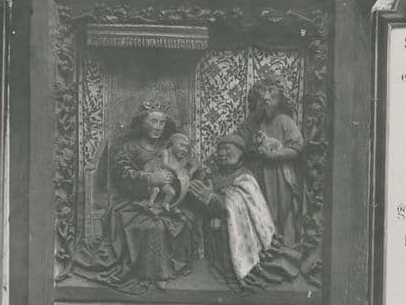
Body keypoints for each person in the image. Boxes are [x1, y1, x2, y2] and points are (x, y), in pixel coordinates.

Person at [72, 103, 197, 291]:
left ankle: (170, 267)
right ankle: (155, 274)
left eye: (162, 122)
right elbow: (122, 175)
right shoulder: (129, 147)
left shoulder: (167, 147)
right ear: (142, 122)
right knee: (153, 227)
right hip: (131, 202)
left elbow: (185, 163)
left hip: (163, 200)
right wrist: (149, 178)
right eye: (153, 121)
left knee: (184, 220)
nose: (158, 127)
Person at [189, 134, 300, 288]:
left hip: (239, 227)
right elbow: (203, 199)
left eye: (227, 149)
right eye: (220, 149)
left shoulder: (245, 177)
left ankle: (237, 271)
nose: (222, 153)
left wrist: (212, 199)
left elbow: (238, 203)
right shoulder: (214, 175)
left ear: (240, 153)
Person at [238, 76, 304, 246]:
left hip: (280, 175)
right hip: (260, 173)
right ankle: (267, 247)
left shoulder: (285, 121)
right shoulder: (256, 124)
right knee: (264, 209)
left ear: (280, 101)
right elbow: (245, 144)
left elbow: (296, 149)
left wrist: (274, 155)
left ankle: (287, 245)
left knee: (284, 209)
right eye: (262, 100)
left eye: (271, 99)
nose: (266, 102)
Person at [145, 132, 200, 211]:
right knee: (156, 190)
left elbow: (195, 163)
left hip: (169, 182)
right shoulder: (166, 152)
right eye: (181, 145)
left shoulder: (180, 159)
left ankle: (167, 204)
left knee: (172, 192)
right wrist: (175, 169)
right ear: (173, 143)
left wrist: (191, 170)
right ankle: (151, 202)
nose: (184, 150)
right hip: (161, 179)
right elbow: (164, 164)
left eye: (187, 148)